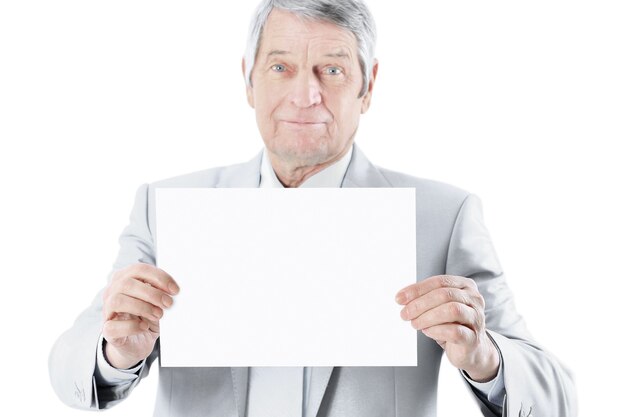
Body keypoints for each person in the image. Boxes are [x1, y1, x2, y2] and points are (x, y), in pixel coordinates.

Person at [49, 1, 576, 416]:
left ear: (368, 86)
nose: (305, 95)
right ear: (248, 80)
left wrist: (483, 358)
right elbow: (68, 371)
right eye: (281, 67)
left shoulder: (443, 215)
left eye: (332, 70)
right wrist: (117, 353)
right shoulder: (167, 208)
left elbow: (558, 400)